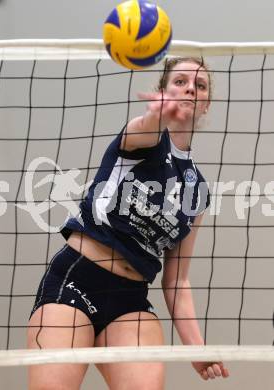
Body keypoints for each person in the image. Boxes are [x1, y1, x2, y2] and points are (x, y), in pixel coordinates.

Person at [27, 57, 230, 390]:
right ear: (162, 91)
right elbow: (145, 128)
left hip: (130, 300)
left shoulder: (198, 192)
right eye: (180, 81)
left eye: (200, 85)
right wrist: (157, 114)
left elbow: (177, 281)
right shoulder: (144, 138)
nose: (190, 87)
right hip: (78, 278)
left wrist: (197, 348)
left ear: (206, 104)